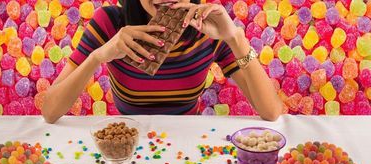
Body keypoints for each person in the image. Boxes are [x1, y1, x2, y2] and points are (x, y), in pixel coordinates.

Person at [42, 0, 282, 123]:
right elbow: (50, 112)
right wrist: (98, 56)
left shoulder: (208, 29)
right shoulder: (109, 22)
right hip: (126, 143)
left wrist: (235, 37)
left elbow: (271, 112)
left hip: (187, 144)